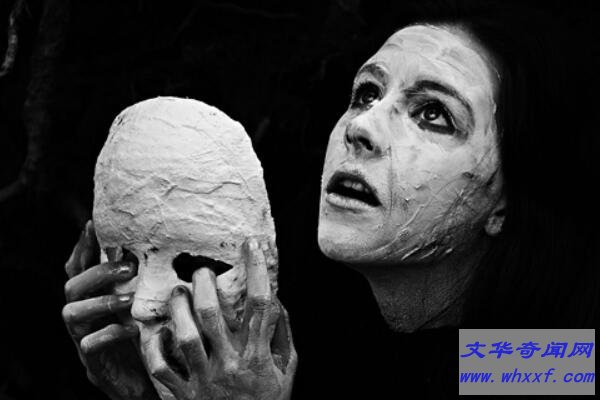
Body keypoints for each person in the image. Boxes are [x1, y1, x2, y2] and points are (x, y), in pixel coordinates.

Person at [63, 2, 598, 399]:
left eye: (433, 114)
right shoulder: (298, 333)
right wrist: (154, 389)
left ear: (506, 201)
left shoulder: (552, 363)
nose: (360, 127)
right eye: (367, 94)